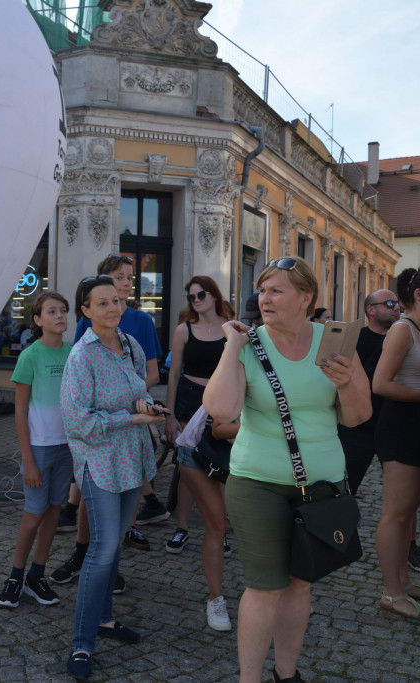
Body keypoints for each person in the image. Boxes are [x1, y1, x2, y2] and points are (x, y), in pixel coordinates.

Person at [203, 256, 371, 683]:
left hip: (322, 486)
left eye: (276, 291)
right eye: (262, 290)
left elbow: (356, 417)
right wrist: (231, 346)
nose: (265, 299)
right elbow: (221, 410)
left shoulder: (334, 344)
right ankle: (250, 679)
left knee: (300, 584)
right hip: (257, 482)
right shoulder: (248, 343)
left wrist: (346, 383)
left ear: (306, 298)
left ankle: (287, 673)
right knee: (265, 586)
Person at [61, 275, 163, 679]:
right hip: (99, 461)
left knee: (116, 541)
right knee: (102, 549)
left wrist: (146, 404)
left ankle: (104, 618)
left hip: (132, 459)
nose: (113, 308)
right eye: (102, 303)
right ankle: (82, 643)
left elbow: (136, 389)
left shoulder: (132, 346)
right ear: (85, 311)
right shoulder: (81, 356)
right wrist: (134, 416)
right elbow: (77, 422)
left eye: (117, 300)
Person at [55, 254, 164, 586]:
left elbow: (148, 375)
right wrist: (128, 412)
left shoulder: (138, 327)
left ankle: (107, 566)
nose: (127, 284)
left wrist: (142, 405)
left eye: (130, 278)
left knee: (114, 530)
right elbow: (82, 389)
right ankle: (84, 555)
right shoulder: (86, 340)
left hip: (129, 441)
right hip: (100, 444)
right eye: (120, 277)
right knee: (96, 508)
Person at [373, 267, 420, 621]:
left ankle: (403, 581)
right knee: (395, 513)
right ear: (418, 294)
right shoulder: (402, 329)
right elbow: (381, 384)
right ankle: (392, 592)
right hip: (401, 426)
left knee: (409, 514)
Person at [161, 276, 234, 630]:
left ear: (214, 294)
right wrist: (170, 416)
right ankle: (185, 527)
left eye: (201, 294)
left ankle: (217, 530)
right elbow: (173, 374)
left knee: (220, 470)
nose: (196, 300)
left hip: (223, 409)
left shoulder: (233, 327)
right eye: (191, 296)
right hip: (190, 403)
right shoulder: (183, 330)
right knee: (190, 471)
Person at [0, 291, 72, 609]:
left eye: (64, 311)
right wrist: (27, 458)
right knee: (33, 514)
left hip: (67, 447)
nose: (60, 316)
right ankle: (15, 575)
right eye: (52, 311)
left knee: (55, 510)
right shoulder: (30, 356)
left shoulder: (74, 353)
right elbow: (19, 411)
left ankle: (36, 576)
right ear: (38, 320)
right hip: (39, 449)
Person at [338, 289, 401, 495]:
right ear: (370, 310)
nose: (396, 307)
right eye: (389, 304)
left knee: (399, 493)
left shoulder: (403, 340)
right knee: (345, 488)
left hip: (392, 425)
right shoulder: (355, 339)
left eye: (397, 303)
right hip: (356, 428)